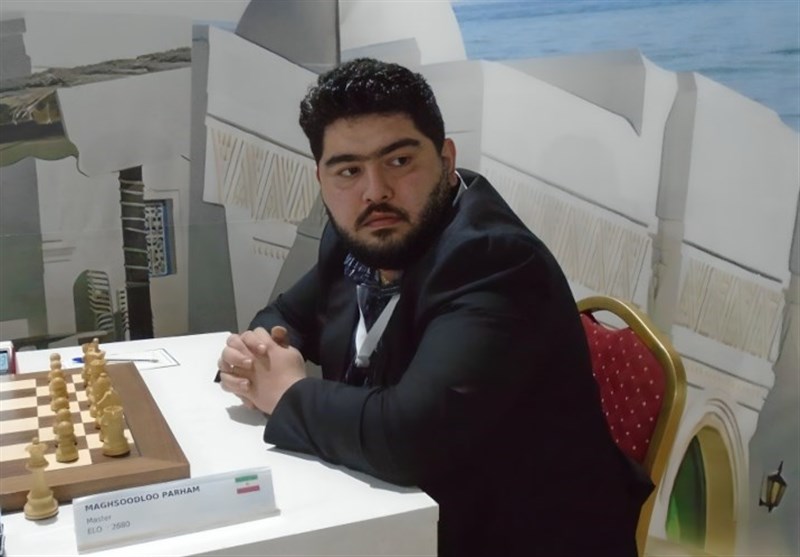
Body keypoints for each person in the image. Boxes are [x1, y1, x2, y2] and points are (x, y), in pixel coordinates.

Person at [217, 57, 652, 556]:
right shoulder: (360, 236)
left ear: (445, 160)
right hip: (404, 512)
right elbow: (285, 319)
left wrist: (287, 392)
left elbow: (408, 439)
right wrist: (258, 355)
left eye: (399, 161)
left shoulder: (494, 261)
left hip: (515, 534)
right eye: (349, 171)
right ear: (322, 179)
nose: (375, 191)